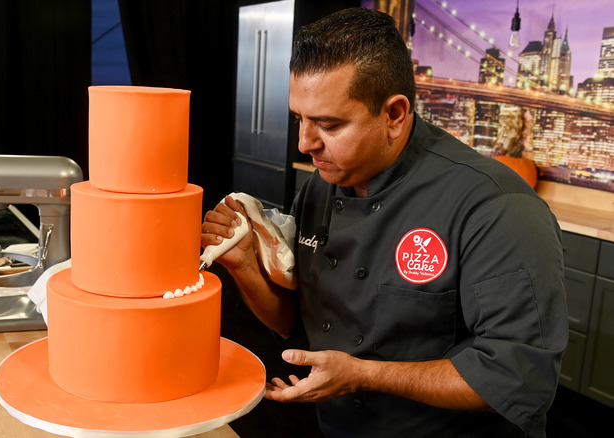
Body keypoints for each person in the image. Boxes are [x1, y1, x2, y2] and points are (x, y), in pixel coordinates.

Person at [201, 7, 567, 438]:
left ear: (394, 114)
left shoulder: (497, 207)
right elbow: (301, 325)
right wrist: (245, 265)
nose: (304, 144)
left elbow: (519, 377)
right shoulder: (323, 186)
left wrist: (364, 375)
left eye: (329, 124)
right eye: (299, 118)